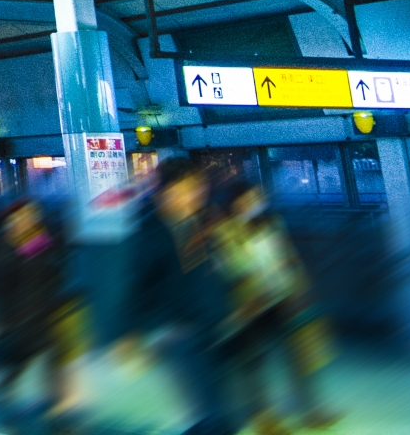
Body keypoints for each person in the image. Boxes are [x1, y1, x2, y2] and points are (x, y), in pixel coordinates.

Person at [211, 180, 337, 433]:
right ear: (234, 204)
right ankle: (263, 417)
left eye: (257, 198)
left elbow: (288, 258)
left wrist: (300, 289)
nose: (254, 204)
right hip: (249, 305)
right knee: (253, 363)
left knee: (300, 357)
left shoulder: (271, 223)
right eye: (247, 200)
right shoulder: (224, 231)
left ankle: (311, 409)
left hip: (283, 298)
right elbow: (229, 267)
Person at [124, 158, 237, 435]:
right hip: (181, 330)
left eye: (197, 188)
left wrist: (226, 307)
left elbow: (210, 271)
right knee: (213, 408)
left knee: (215, 405)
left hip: (211, 323)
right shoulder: (152, 232)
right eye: (186, 189)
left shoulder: (198, 221)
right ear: (166, 193)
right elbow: (140, 282)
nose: (195, 195)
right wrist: (133, 332)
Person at [0, 199, 72, 430]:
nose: (26, 220)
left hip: (43, 312)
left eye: (31, 215)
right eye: (20, 217)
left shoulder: (39, 240)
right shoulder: (4, 246)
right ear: (10, 221)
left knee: (54, 358)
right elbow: (0, 287)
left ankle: (55, 410)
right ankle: (1, 400)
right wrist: (3, 322)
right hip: (18, 318)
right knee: (16, 364)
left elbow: (52, 269)